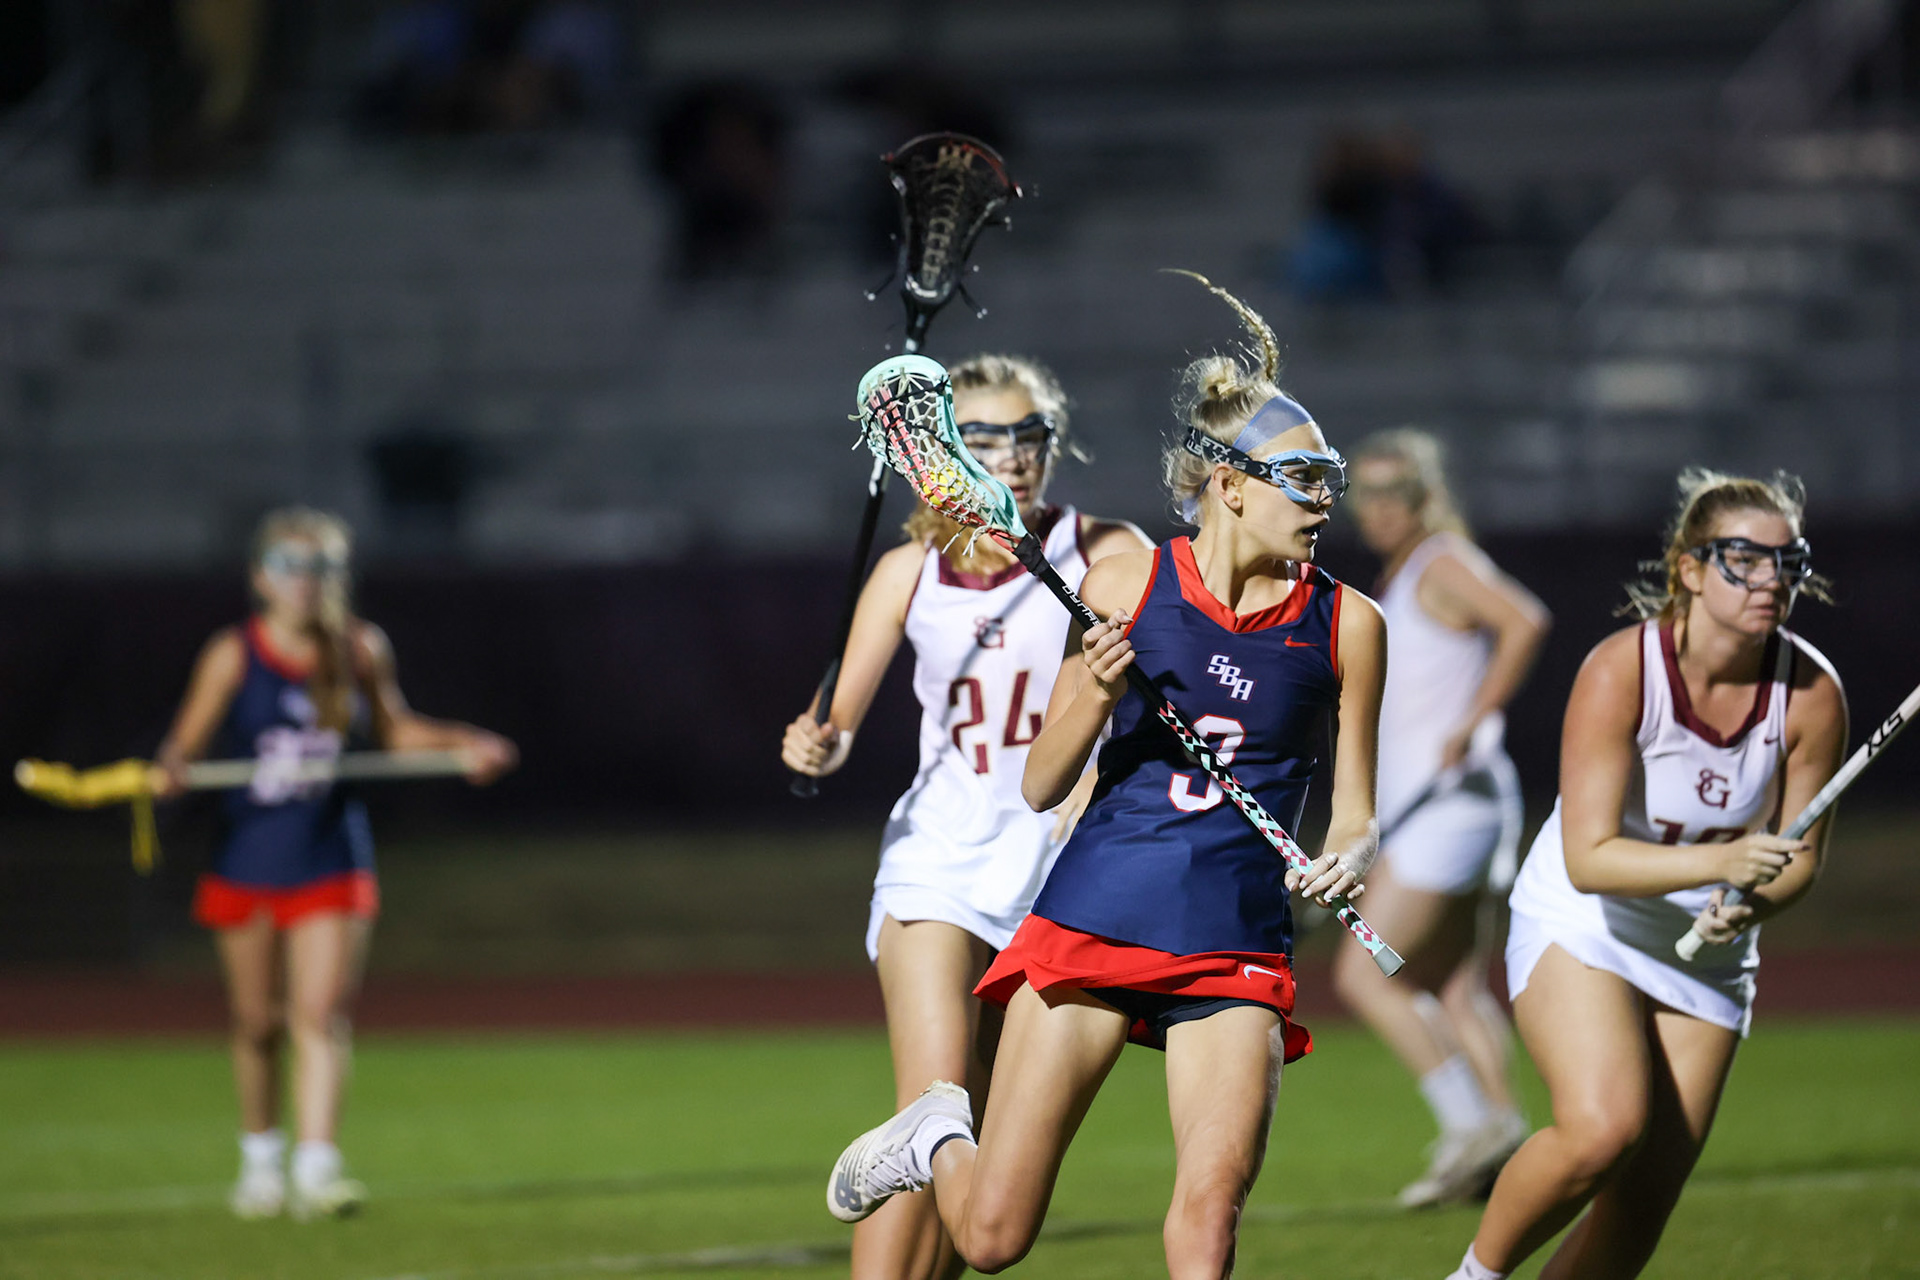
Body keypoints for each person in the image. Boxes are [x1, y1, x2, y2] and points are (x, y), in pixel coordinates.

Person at [822, 276, 1387, 1279]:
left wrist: (1347, 860)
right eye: (1303, 478)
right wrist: (1089, 686)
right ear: (1231, 484)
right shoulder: (1130, 584)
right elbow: (1042, 782)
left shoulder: (1352, 623)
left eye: (1327, 475)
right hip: (1097, 915)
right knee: (992, 1237)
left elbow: (1358, 816)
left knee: (1208, 1215)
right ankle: (936, 1130)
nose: (1325, 499)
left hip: (1234, 937)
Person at [782, 355, 1148, 1280]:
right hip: (939, 858)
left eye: (1030, 437)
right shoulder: (912, 568)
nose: (1013, 457)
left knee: (972, 1135)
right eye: (983, 439)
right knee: (931, 1106)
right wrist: (817, 740)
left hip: (1056, 866)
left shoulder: (1105, 550)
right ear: (940, 452)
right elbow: (838, 716)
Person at [1443, 469, 1846, 1280]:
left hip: (1708, 953)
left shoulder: (1810, 695)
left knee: (1639, 1209)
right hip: (1586, 922)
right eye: (1744, 559)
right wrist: (1724, 863)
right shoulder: (1622, 670)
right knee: (1601, 1131)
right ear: (1689, 569)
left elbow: (1799, 860)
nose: (1771, 580)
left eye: (1786, 562)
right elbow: (1589, 859)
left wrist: (1754, 903)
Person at [156, 507, 516, 1221]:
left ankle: (318, 1169)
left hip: (329, 853)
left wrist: (463, 744)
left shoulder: (358, 648)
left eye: (320, 566)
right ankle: (260, 1159)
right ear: (262, 577)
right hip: (247, 855)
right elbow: (184, 747)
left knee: (319, 1014)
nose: (305, 581)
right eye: (290, 565)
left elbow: (394, 730)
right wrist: (168, 771)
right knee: (256, 1022)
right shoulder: (233, 654)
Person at [1333, 428, 1549, 1207]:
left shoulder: (1441, 561)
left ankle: (1468, 1129)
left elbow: (1525, 620)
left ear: (1425, 496)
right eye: (1370, 494)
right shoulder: (1406, 573)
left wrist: (1474, 719)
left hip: (1451, 810)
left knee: (1366, 973)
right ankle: (1505, 1134)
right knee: (1455, 984)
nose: (1381, 509)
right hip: (1436, 810)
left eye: (1397, 493)